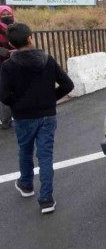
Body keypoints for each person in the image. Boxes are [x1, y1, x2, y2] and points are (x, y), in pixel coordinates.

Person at [0, 23, 74, 214]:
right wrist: (51, 99)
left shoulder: (8, 66)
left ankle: (26, 185)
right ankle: (46, 199)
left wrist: (17, 104)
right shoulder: (47, 60)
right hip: (47, 115)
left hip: (23, 117)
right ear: (30, 38)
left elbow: (4, 95)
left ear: (11, 43)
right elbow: (67, 84)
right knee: (45, 156)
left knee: (25, 151)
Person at [0, 5, 15, 129]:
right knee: (4, 91)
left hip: (17, 63)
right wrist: (3, 51)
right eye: (3, 15)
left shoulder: (16, 27)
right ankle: (6, 120)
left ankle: (20, 115)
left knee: (18, 89)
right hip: (1, 65)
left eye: (8, 14)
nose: (6, 17)